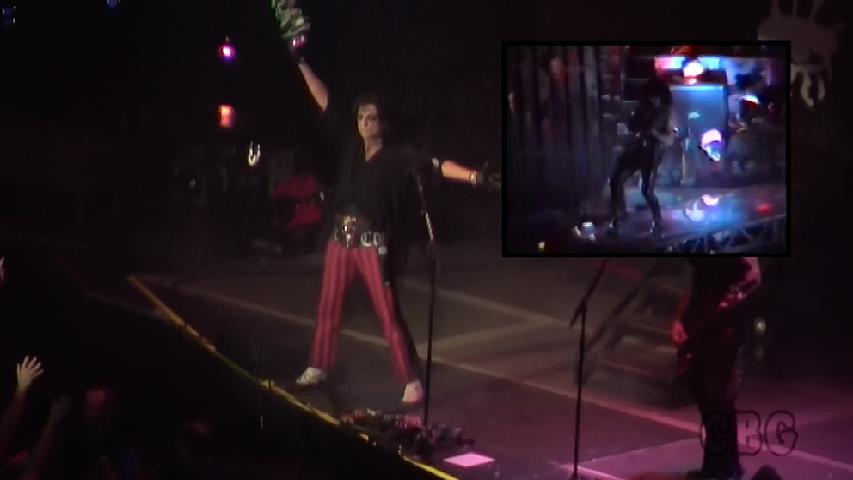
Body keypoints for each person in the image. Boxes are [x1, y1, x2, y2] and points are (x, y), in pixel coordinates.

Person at [289, 36, 492, 405]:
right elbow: (323, 98)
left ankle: (410, 379)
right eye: (361, 117)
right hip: (339, 239)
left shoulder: (397, 157)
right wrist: (301, 63)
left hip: (373, 244)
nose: (364, 123)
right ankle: (319, 365)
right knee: (328, 306)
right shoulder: (351, 144)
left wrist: (475, 176)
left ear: (382, 123)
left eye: (371, 118)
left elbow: (436, 166)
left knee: (388, 313)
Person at [671, 257, 762, 480]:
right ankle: (722, 467)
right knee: (702, 393)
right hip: (699, 319)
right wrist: (679, 318)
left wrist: (731, 300)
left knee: (716, 396)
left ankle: (722, 469)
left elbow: (754, 275)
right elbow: (695, 281)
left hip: (725, 325)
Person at [608, 75, 676, 237]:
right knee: (616, 180)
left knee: (646, 190)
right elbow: (631, 127)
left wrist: (655, 133)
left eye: (655, 97)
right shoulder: (641, 109)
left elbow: (670, 140)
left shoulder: (667, 114)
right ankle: (620, 216)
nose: (653, 100)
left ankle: (658, 220)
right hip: (636, 150)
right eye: (650, 97)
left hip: (652, 153)